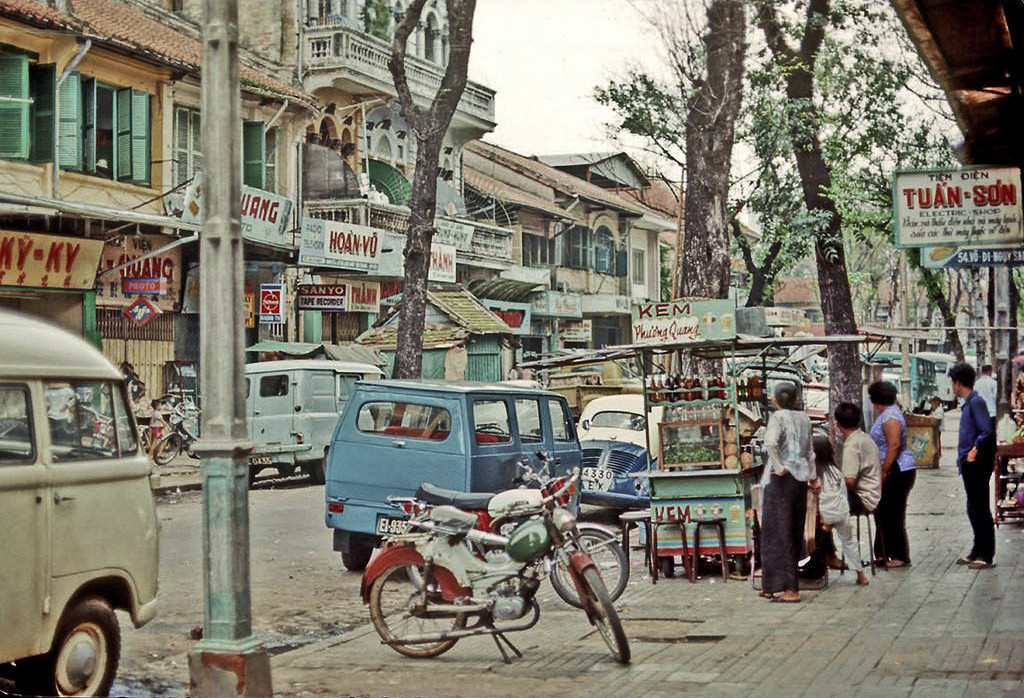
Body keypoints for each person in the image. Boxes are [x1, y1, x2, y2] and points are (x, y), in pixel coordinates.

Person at [759, 382, 819, 603]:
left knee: (777, 533)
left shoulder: (777, 418)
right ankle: (772, 585)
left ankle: (789, 589)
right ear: (795, 400)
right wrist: (813, 478)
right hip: (799, 480)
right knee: (791, 530)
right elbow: (810, 453)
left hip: (781, 481)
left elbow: (771, 443)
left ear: (775, 400)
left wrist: (779, 466)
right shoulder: (805, 418)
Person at [948, 363, 996, 570]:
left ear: (958, 382)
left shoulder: (976, 402)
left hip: (976, 463)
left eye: (952, 382)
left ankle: (986, 554)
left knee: (980, 508)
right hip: (967, 462)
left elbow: (986, 430)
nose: (952, 386)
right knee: (973, 508)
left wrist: (974, 450)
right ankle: (977, 550)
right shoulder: (969, 403)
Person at [867, 380, 917, 568]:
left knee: (893, 512)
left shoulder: (891, 417)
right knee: (883, 511)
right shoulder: (888, 414)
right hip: (892, 467)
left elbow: (894, 445)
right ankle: (882, 552)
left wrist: (884, 470)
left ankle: (899, 554)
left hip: (897, 468)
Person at [812, 435, 868, 586]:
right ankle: (861, 575)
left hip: (825, 514)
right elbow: (843, 494)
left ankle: (818, 568)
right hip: (842, 513)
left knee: (817, 535)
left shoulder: (814, 474)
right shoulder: (836, 472)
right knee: (849, 543)